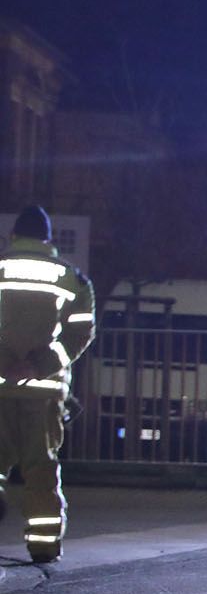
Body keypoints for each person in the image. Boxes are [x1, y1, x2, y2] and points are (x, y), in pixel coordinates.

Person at [0, 207, 95, 563]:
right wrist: (37, 365)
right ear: (49, 239)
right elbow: (79, 334)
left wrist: (5, 363)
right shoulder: (71, 279)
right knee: (41, 469)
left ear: (13, 236)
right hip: (44, 393)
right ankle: (43, 545)